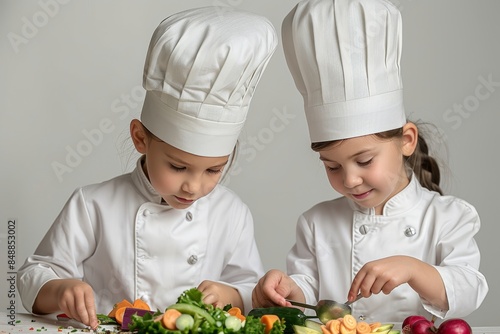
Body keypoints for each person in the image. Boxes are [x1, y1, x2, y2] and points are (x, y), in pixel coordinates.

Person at [17, 6, 277, 329]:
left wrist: (232, 295)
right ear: (140, 138)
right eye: (178, 167)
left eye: (213, 170)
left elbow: (252, 291)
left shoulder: (233, 214)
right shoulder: (93, 205)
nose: (194, 187)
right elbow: (31, 277)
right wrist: (59, 290)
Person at [252, 0, 488, 322]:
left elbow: (470, 287)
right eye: (332, 166)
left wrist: (414, 269)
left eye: (364, 161)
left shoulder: (448, 216)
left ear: (406, 141)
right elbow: (308, 288)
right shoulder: (316, 222)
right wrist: (289, 289)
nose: (349, 180)